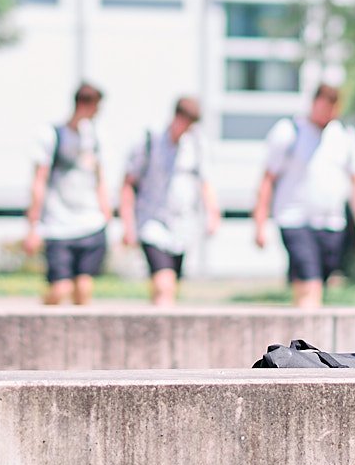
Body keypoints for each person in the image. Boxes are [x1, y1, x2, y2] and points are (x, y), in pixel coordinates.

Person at [252, 83, 355, 309]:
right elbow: (268, 179)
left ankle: (297, 336)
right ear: (313, 104)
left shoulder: (344, 136)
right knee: (310, 284)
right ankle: (305, 336)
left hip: (331, 223)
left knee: (314, 285)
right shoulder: (290, 131)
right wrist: (260, 223)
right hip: (295, 219)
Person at [119, 96, 222, 307]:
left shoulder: (196, 145)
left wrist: (213, 213)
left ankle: (156, 321)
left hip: (182, 226)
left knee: (170, 286)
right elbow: (129, 183)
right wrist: (128, 224)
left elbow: (205, 182)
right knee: (164, 283)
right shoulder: (150, 141)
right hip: (152, 222)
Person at [23, 83, 111, 305]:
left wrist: (106, 212)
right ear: (86, 105)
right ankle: (42, 316)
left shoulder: (95, 138)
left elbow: (100, 179)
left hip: (90, 221)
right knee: (61, 289)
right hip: (58, 223)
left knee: (83, 288)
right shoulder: (52, 136)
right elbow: (39, 181)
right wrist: (33, 225)